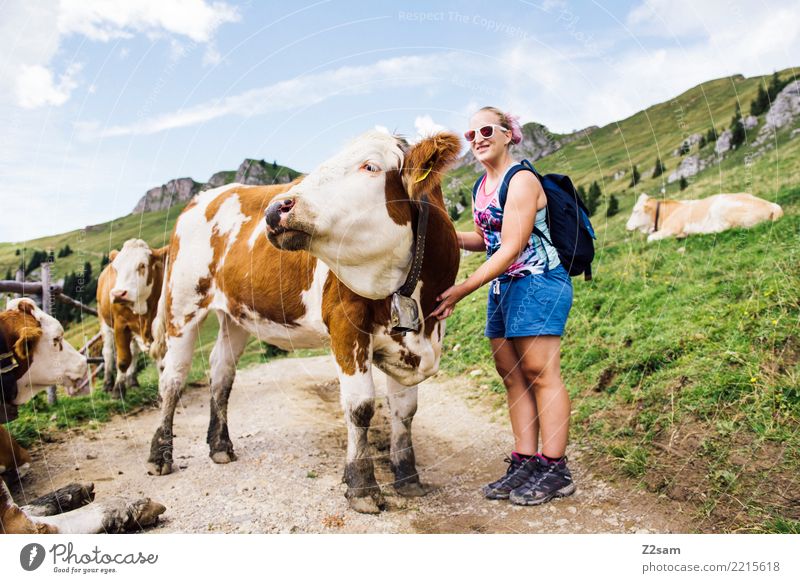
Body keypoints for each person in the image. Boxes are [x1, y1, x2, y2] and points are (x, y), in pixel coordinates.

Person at [430, 106, 576, 506]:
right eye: (471, 133)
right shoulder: (482, 185)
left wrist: (463, 288)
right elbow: (486, 238)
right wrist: (444, 234)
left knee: (540, 372)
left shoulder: (522, 180)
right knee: (512, 374)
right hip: (504, 288)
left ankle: (555, 467)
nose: (477, 138)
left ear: (510, 134)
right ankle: (526, 461)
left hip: (539, 282)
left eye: (487, 129)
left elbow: (512, 246)